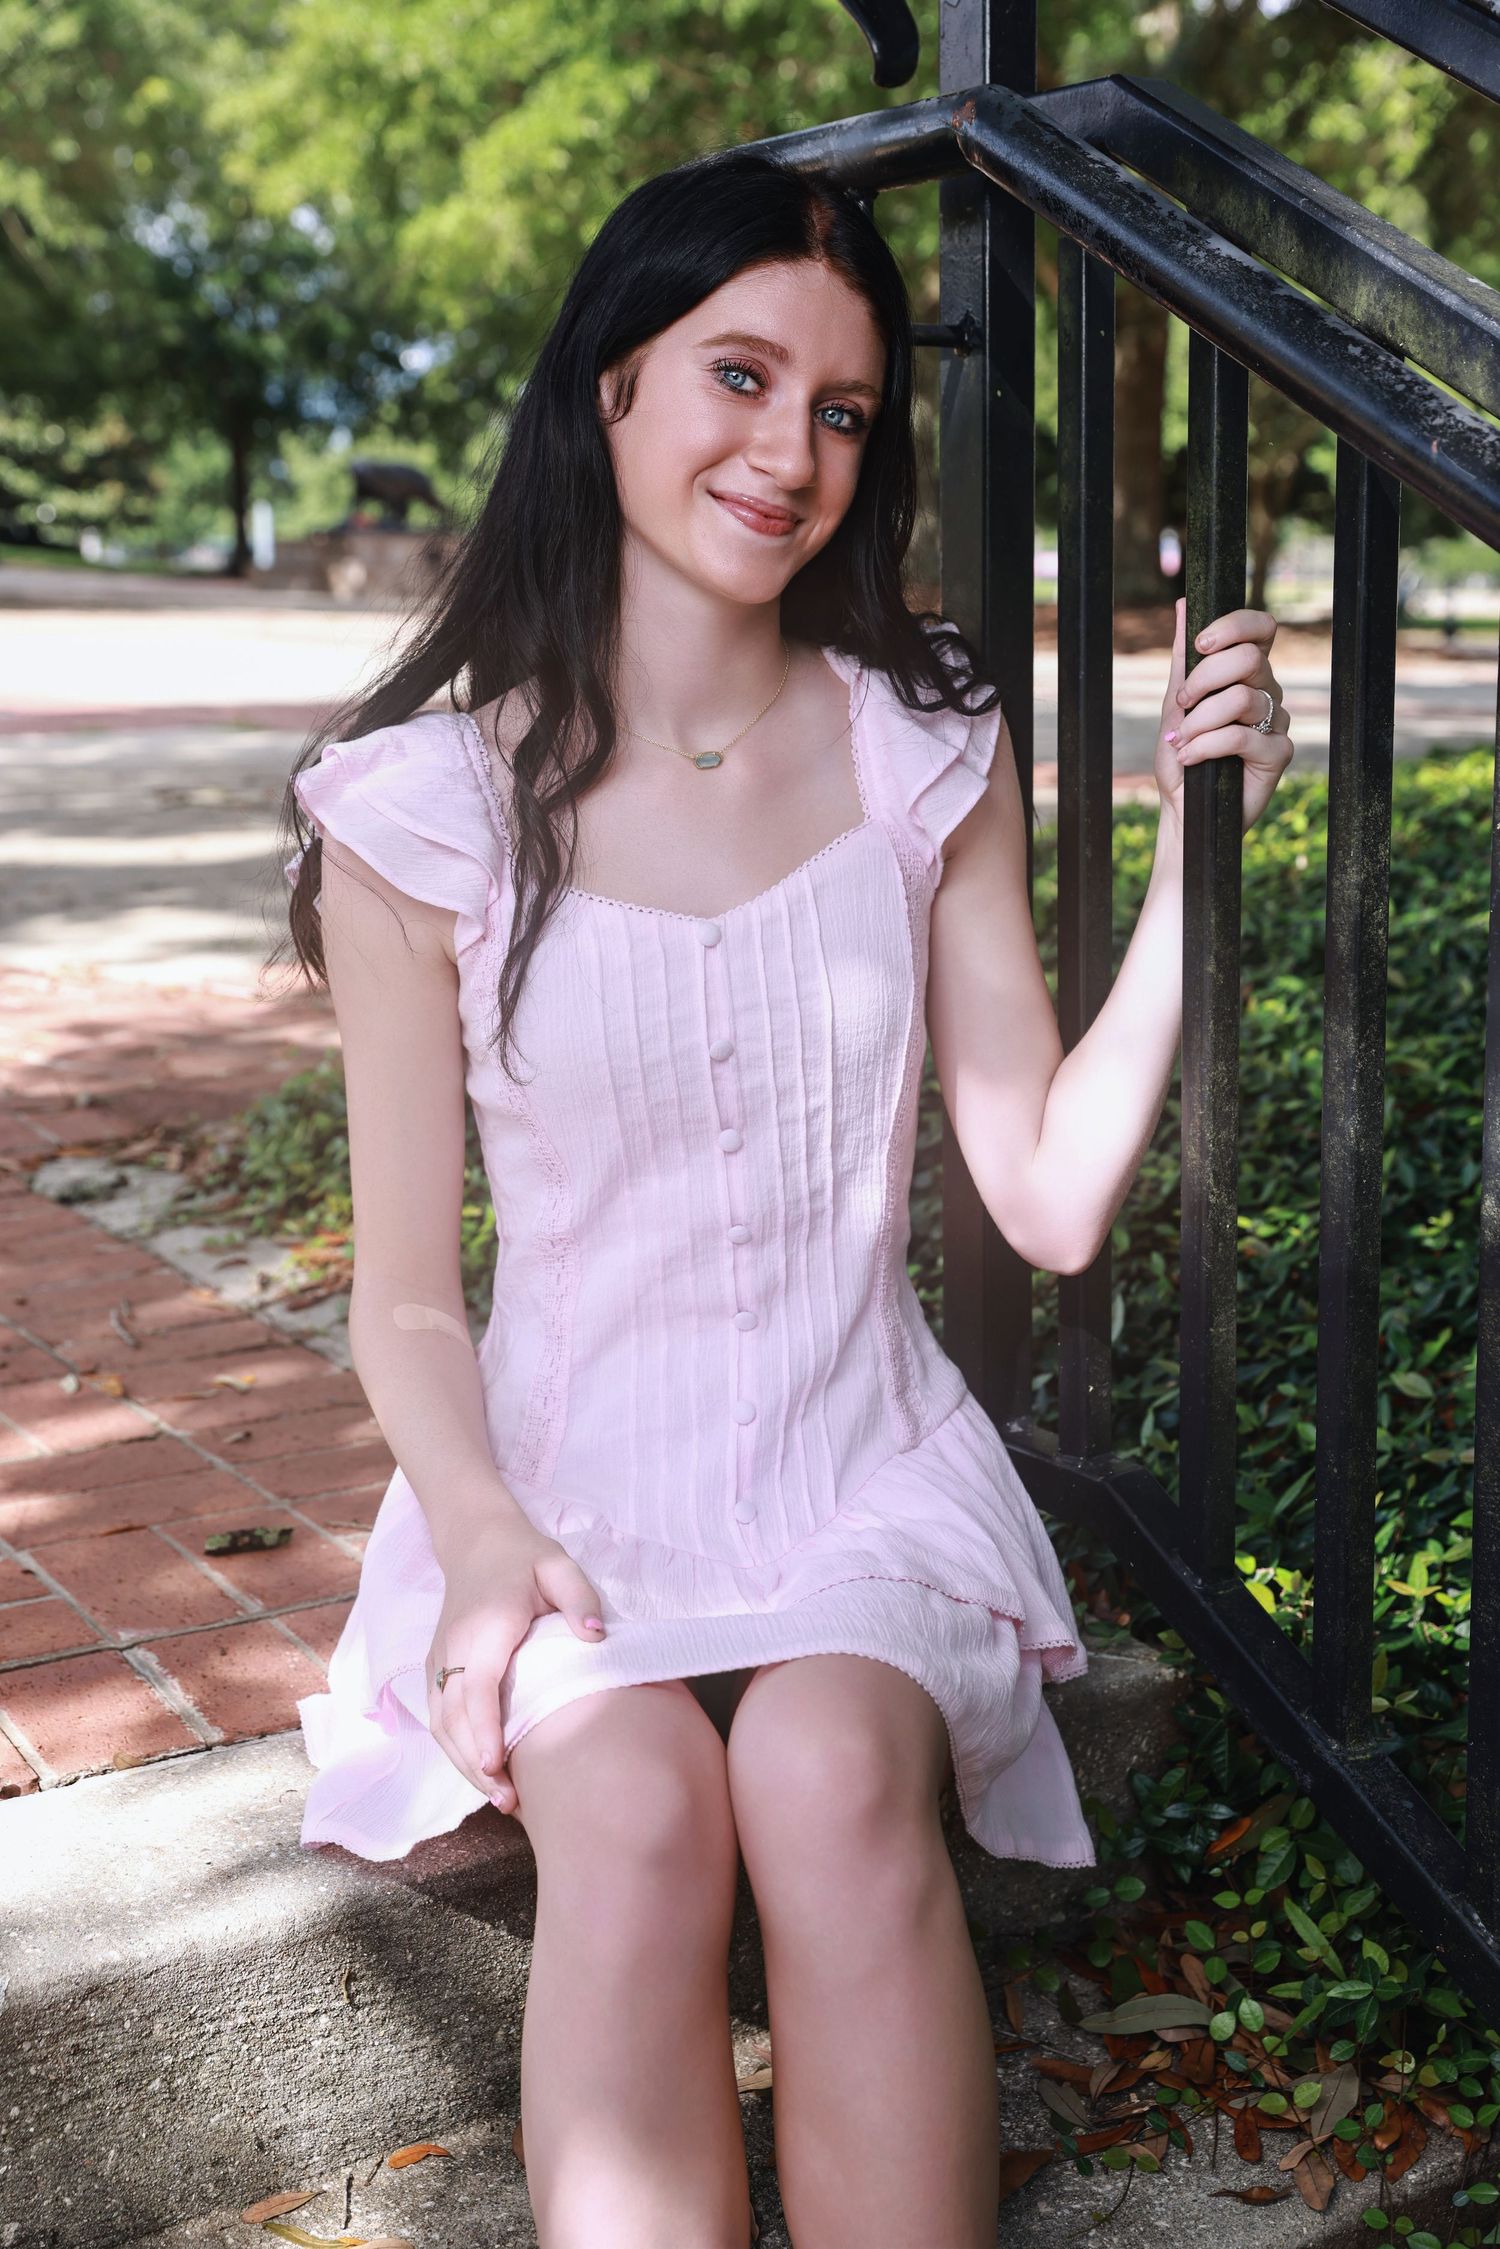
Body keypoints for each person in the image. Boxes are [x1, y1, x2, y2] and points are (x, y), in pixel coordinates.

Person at [278, 145, 1294, 2249]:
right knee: (638, 1812)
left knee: (833, 1780)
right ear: (612, 384)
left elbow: (1050, 1195)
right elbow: (405, 1302)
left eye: (842, 411)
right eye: (739, 376)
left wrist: (1200, 866)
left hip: (856, 1464)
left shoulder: (927, 748)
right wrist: (481, 1548)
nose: (791, 450)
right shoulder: (424, 818)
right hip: (560, 1485)